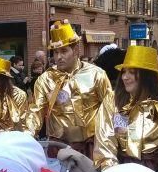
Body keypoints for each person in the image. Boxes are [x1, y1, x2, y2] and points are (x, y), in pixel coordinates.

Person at [25, 20, 112, 158]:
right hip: (58, 148)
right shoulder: (45, 79)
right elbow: (35, 111)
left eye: (64, 51)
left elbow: (110, 110)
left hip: (91, 146)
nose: (59, 57)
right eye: (55, 52)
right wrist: (26, 138)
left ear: (76, 49)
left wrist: (109, 146)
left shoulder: (97, 74)